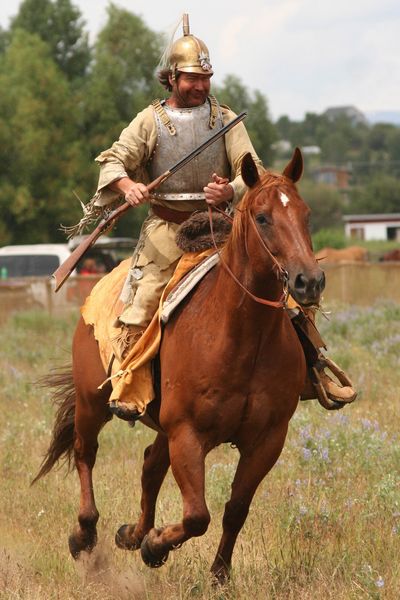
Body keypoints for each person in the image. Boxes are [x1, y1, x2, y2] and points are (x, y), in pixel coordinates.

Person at [82, 14, 356, 420]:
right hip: (166, 231)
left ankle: (314, 370)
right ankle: (129, 382)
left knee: (286, 297)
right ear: (171, 78)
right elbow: (114, 161)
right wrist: (128, 186)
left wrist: (230, 190)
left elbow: (256, 175)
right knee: (141, 303)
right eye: (192, 78)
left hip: (223, 228)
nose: (200, 86)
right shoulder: (149, 121)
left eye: (206, 77)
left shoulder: (225, 120)